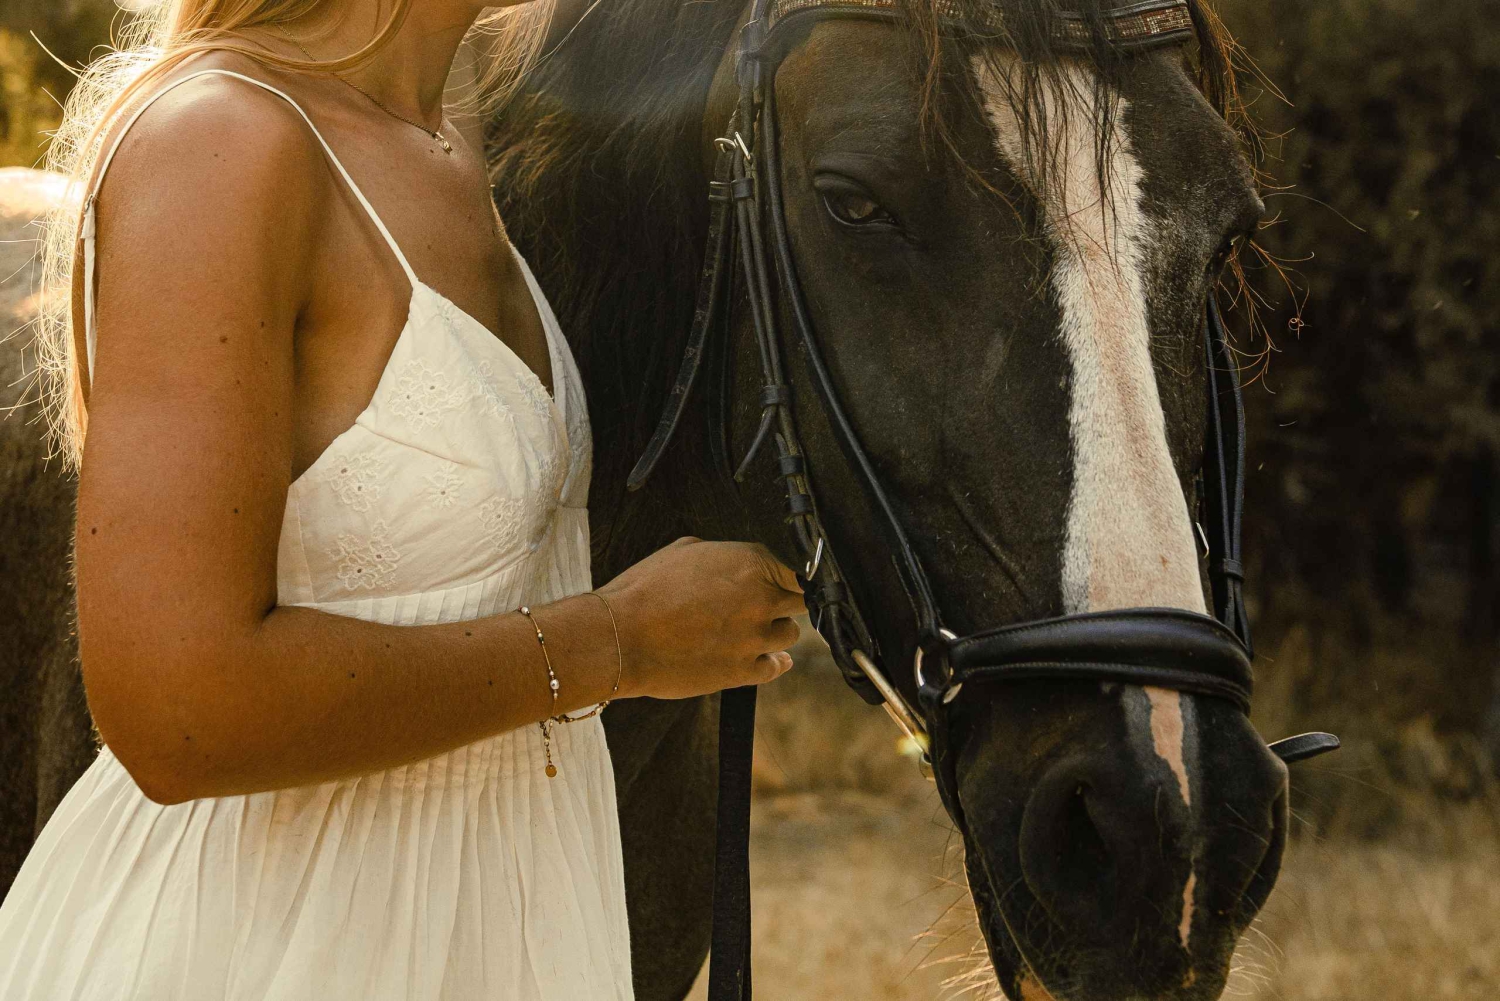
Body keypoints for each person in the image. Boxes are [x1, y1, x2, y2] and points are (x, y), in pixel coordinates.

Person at [0, 1, 803, 997]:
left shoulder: (474, 139)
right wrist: (621, 644)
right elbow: (177, 710)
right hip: (264, 950)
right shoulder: (222, 142)